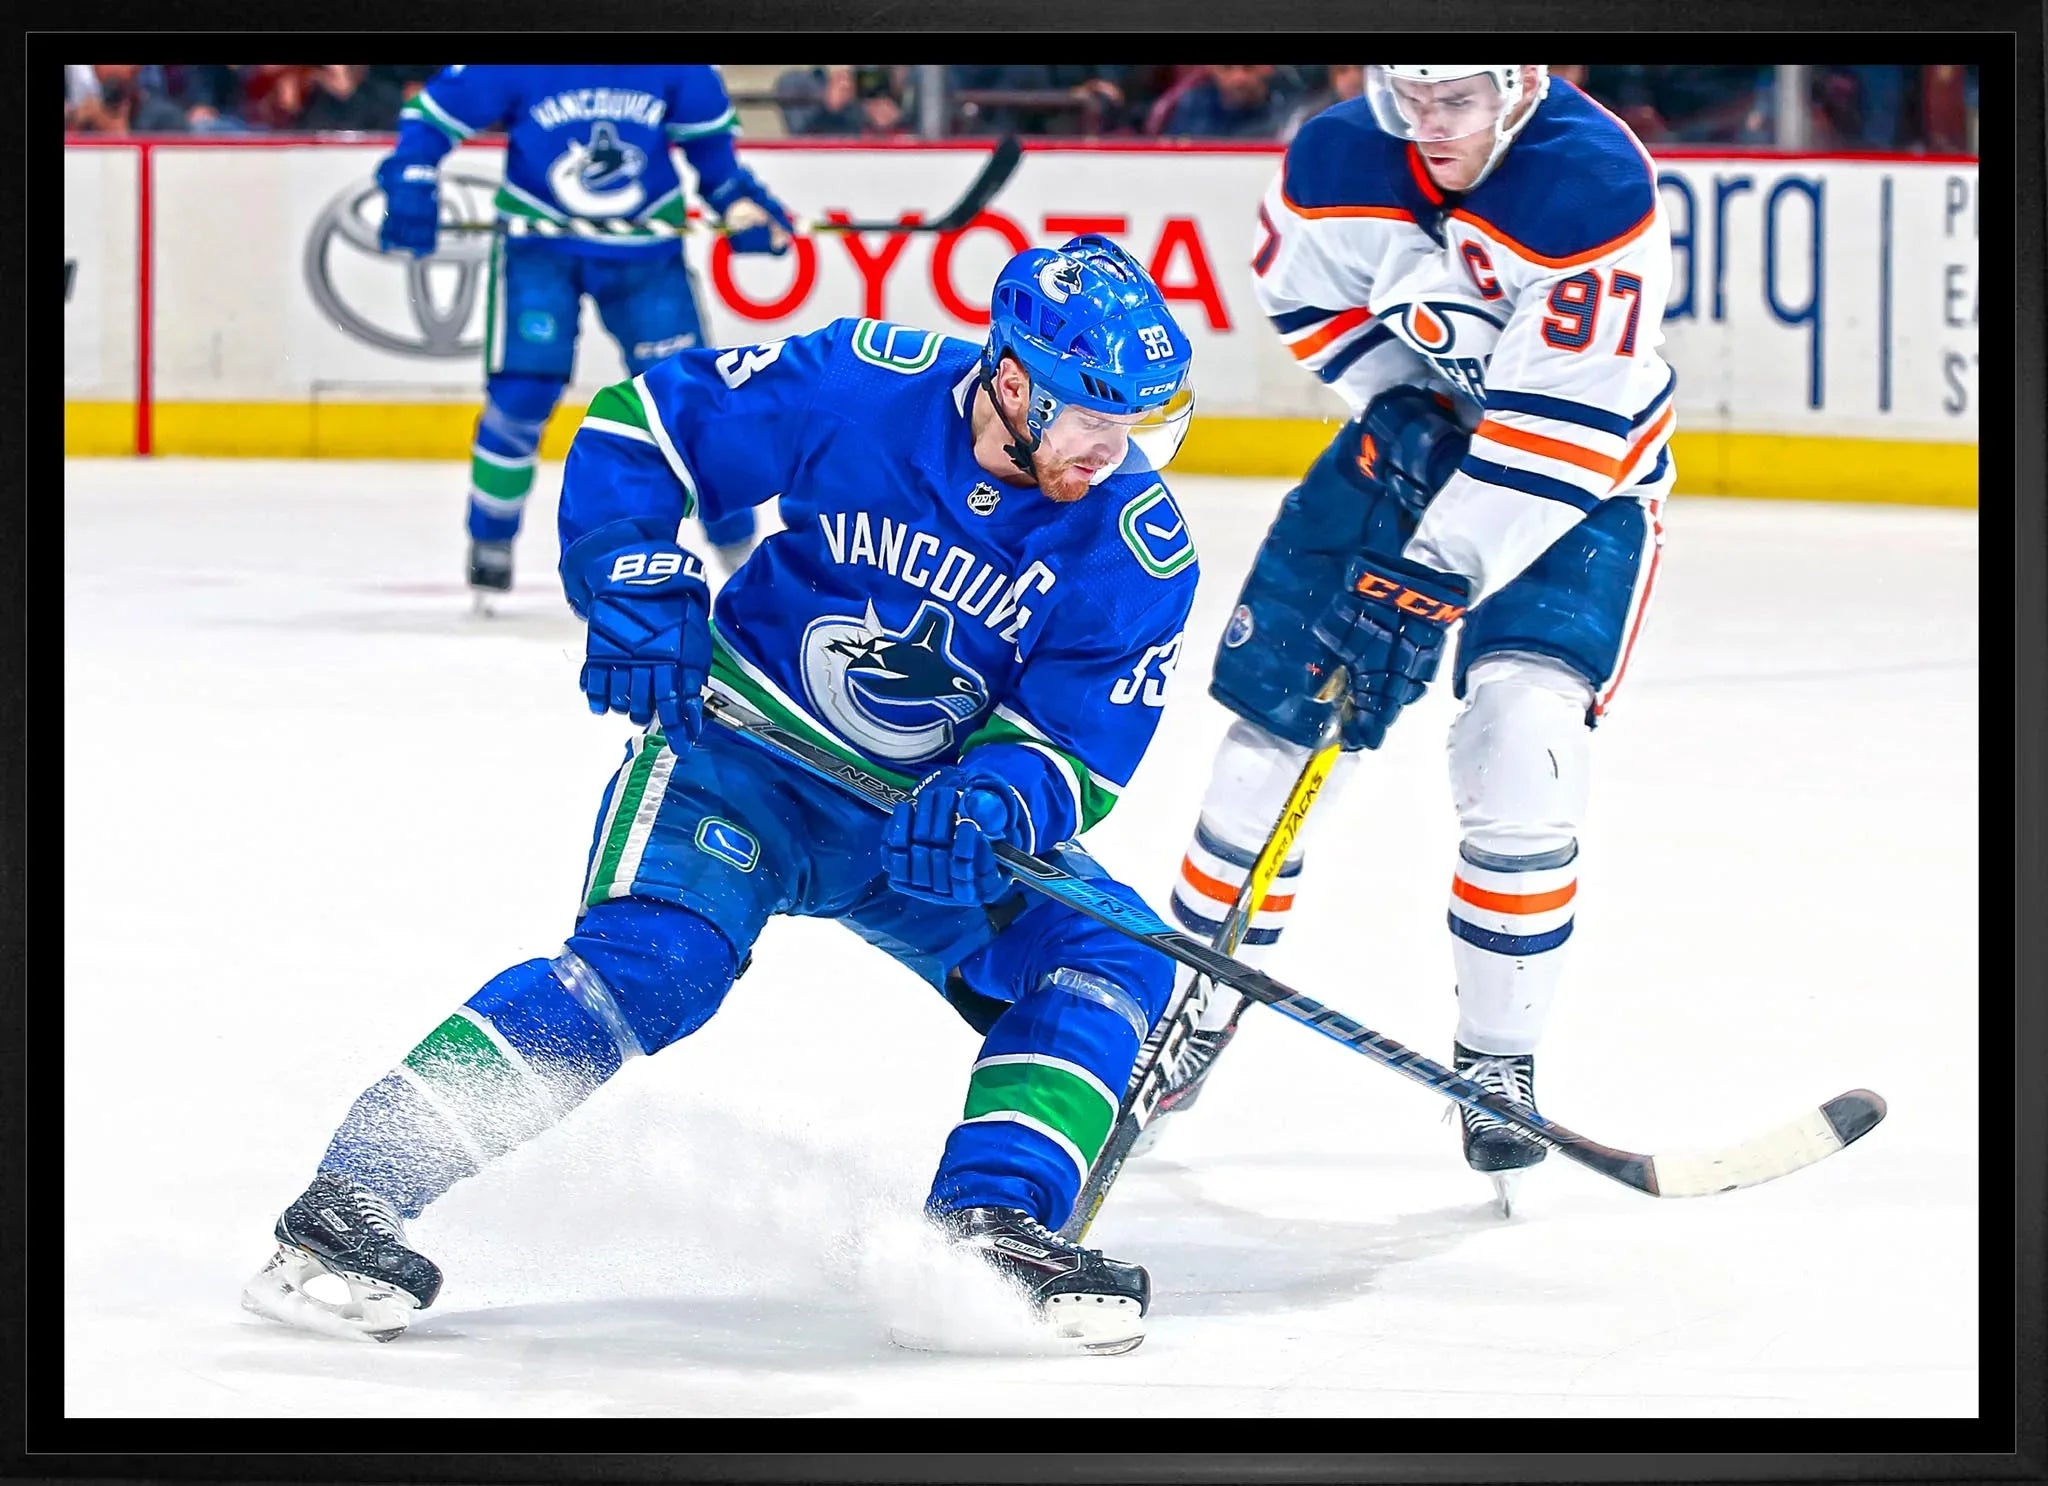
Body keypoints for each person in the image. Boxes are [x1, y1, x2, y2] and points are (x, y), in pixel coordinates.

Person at [240, 236, 1201, 1355]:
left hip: (914, 821)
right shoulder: (862, 384)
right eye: (1086, 413)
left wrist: (996, 796)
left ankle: (989, 1227)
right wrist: (634, 575)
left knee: (1110, 952)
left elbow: (1075, 739)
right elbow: (643, 423)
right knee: (654, 965)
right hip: (735, 762)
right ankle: (350, 1202)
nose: (1107, 446)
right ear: (1010, 376)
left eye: (1128, 420)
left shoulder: (1137, 547)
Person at [1133, 65, 1676, 1216]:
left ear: (1518, 90)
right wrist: (1393, 404)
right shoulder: (1336, 156)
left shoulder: (1588, 184)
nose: (1429, 131)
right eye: (1412, 100)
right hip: (1410, 455)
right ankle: (1182, 1011)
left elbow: (1567, 429)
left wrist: (1433, 568)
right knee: (1266, 738)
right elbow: (1300, 296)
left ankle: (1495, 1061)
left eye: (1458, 105)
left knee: (1522, 754)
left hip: (1577, 490)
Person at [371, 65, 794, 606]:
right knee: (522, 394)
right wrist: (412, 175)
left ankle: (741, 553)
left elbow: (716, 165)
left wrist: (741, 206)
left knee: (694, 411)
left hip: (646, 260)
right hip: (539, 254)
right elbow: (430, 121)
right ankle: (491, 539)